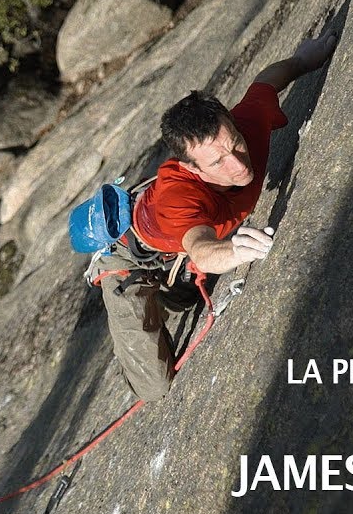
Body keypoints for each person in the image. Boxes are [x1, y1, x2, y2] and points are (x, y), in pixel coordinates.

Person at [92, 30, 339, 400]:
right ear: (192, 168)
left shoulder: (246, 125)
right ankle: (137, 304)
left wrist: (304, 60)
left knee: (185, 297)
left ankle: (170, 294)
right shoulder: (180, 198)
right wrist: (236, 251)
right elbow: (201, 249)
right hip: (132, 256)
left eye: (236, 145)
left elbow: (265, 82)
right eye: (218, 162)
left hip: (176, 242)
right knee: (155, 387)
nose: (238, 164)